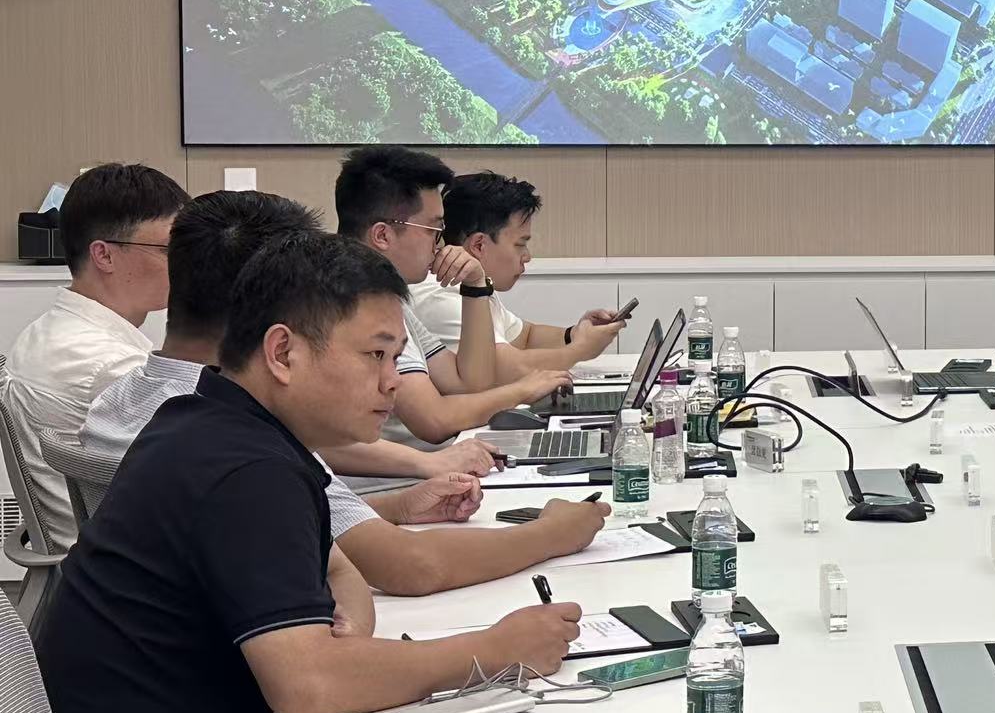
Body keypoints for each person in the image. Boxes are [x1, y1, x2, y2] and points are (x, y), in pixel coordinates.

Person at [39, 232, 584, 713]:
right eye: (375, 355)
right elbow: (309, 685)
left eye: (396, 358)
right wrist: (496, 649)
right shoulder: (245, 468)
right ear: (282, 353)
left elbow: (337, 566)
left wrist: (342, 625)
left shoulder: (215, 420)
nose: (392, 381)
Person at [82, 191, 607, 597]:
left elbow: (292, 525)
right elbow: (410, 566)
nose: (388, 378)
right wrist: (554, 533)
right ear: (277, 328)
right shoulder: (235, 434)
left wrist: (399, 506)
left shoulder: (123, 401)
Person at [334, 146, 571, 454]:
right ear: (382, 235)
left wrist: (475, 285)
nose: (441, 244)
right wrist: (522, 391)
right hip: (404, 476)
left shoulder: (392, 298)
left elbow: (469, 383)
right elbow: (434, 421)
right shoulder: (356, 302)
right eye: (434, 230)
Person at [5, 162, 187, 546]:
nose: (187, 263)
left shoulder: (46, 331)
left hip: (85, 546)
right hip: (123, 558)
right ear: (104, 255)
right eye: (169, 248)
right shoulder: (112, 365)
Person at [410, 170, 624, 374]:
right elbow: (504, 368)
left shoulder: (475, 284)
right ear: (479, 245)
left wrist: (575, 333)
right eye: (520, 244)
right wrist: (581, 349)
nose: (527, 256)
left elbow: (526, 337)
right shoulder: (441, 293)